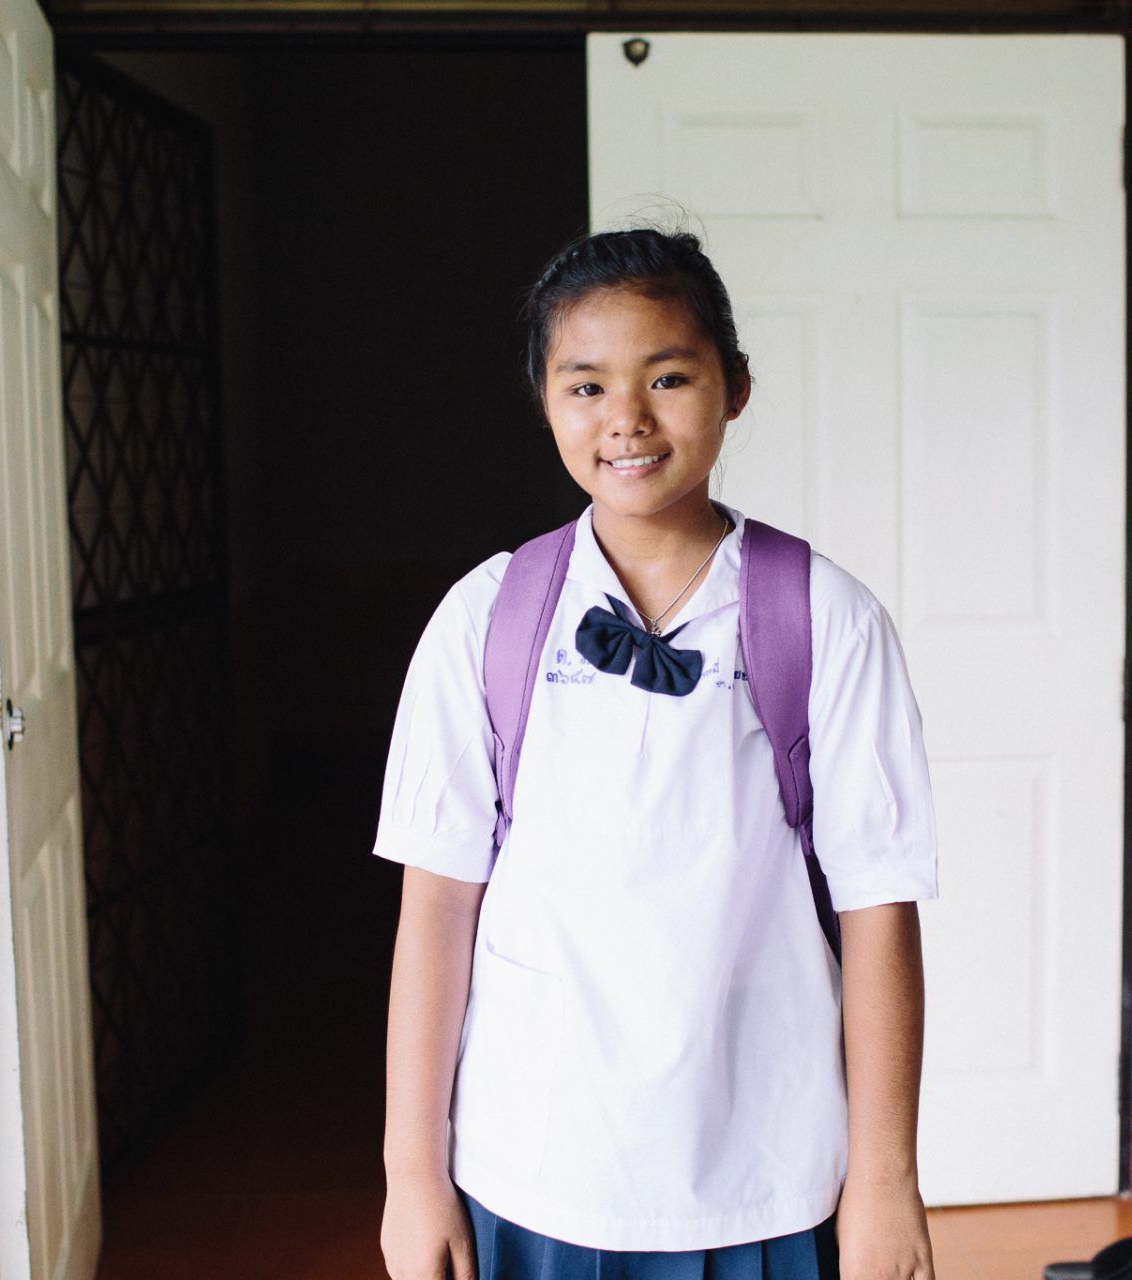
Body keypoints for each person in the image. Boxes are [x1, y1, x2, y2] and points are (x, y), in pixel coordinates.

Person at [376, 225, 941, 1280]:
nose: (626, 419)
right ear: (544, 400)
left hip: (763, 1173)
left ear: (735, 386)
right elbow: (437, 905)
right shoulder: (487, 616)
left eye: (668, 376)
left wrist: (885, 1179)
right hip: (533, 1166)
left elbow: (879, 908)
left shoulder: (824, 615)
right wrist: (414, 1172)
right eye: (585, 386)